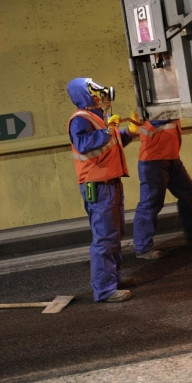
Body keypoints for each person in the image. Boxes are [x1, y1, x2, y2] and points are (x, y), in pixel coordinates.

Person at [67, 77, 139, 303]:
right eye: (97, 93)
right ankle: (104, 289)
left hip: (111, 182)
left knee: (115, 234)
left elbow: (111, 146)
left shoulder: (100, 118)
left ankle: (113, 278)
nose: (103, 97)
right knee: (104, 237)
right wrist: (108, 130)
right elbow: (84, 144)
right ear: (87, 95)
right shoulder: (80, 119)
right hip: (96, 186)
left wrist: (130, 131)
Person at [133, 118, 192, 259]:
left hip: (171, 158)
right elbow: (159, 120)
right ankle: (143, 248)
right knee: (150, 203)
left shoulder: (168, 108)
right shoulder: (157, 110)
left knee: (188, 191)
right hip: (153, 161)